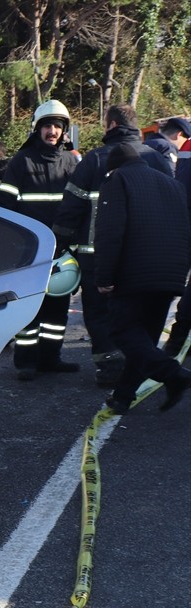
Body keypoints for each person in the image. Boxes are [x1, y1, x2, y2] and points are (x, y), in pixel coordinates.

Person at [51, 105, 151, 388]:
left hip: (96, 257)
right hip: (143, 257)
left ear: (112, 125)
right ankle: (139, 365)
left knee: (99, 314)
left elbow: (71, 208)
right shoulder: (155, 157)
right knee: (138, 313)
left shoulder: (94, 159)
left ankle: (110, 368)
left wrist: (60, 245)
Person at [94, 144, 191, 414]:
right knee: (144, 340)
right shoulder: (172, 184)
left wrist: (104, 275)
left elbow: (110, 231)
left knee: (123, 331)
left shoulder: (118, 180)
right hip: (170, 273)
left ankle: (174, 375)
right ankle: (122, 397)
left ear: (113, 167)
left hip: (133, 273)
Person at [0, 99, 81, 380]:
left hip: (62, 252)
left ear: (64, 130)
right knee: (29, 308)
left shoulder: (71, 162)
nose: (52, 131)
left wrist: (73, 244)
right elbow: (5, 206)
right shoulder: (22, 161)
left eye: (57, 126)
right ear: (37, 129)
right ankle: (26, 362)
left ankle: (50, 358)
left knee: (58, 310)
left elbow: (80, 207)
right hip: (29, 251)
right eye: (47, 126)